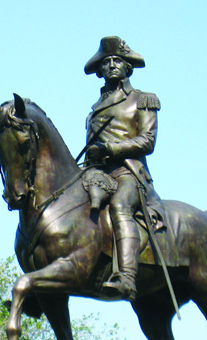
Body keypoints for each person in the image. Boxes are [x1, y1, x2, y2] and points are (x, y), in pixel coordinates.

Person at [83, 36, 161, 301]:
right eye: (107, 62)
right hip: (97, 174)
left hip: (128, 174)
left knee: (120, 206)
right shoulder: (93, 111)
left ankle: (126, 277)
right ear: (100, 70)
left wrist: (110, 150)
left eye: (119, 61)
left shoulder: (143, 100)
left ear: (128, 68)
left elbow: (147, 141)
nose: (113, 65)